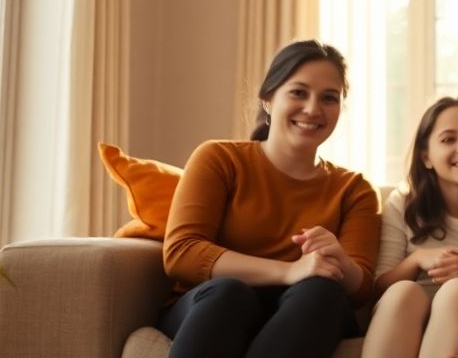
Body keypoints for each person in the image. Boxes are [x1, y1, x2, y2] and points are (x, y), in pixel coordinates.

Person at [158, 40, 380, 358]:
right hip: (215, 306)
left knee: (322, 291)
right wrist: (288, 271)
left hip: (302, 315)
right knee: (231, 292)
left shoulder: (355, 190)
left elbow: (360, 291)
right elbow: (182, 253)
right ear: (268, 99)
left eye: (329, 98)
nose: (313, 109)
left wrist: (341, 262)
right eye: (298, 92)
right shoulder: (219, 158)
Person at [363, 96, 458, 358]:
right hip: (410, 313)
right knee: (403, 291)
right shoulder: (402, 203)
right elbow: (379, 287)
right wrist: (418, 259)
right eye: (448, 139)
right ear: (426, 157)